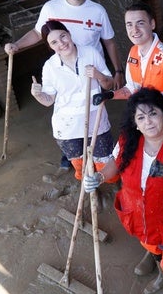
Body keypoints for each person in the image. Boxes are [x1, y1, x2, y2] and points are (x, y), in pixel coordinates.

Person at [82, 87, 163, 294]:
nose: (148, 122)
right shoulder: (129, 140)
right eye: (141, 117)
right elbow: (115, 163)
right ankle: (161, 274)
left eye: (152, 113)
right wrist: (100, 177)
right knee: (153, 248)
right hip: (138, 215)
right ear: (135, 123)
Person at [4, 0, 124, 175]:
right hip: (64, 71)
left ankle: (100, 161)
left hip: (91, 69)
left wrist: (117, 71)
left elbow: (110, 42)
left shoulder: (97, 11)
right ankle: (73, 155)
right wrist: (18, 45)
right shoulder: (51, 8)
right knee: (68, 114)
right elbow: (37, 32)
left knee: (95, 119)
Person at [31, 20, 114, 182]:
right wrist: (38, 95)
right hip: (67, 127)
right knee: (82, 169)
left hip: (96, 120)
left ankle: (109, 185)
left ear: (69, 34)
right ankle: (91, 193)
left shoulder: (90, 53)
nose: (61, 43)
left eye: (63, 36)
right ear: (50, 46)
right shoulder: (50, 66)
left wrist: (98, 75)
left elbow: (109, 83)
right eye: (54, 42)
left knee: (106, 169)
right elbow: (48, 101)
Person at [99, 2, 163, 125]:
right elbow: (132, 89)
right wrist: (109, 95)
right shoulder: (133, 51)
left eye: (140, 23)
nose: (134, 30)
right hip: (145, 120)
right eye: (129, 25)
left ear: (152, 24)